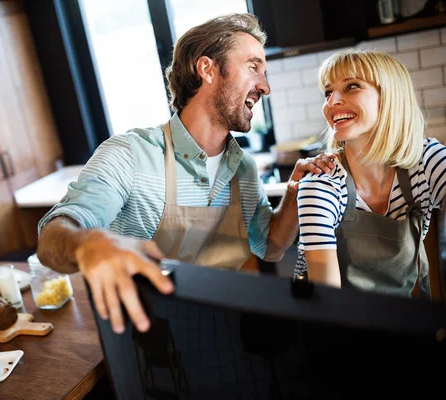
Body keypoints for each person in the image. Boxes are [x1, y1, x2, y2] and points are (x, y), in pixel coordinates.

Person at [37, 13, 328, 334]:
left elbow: (270, 247)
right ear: (208, 69)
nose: (265, 86)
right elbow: (53, 237)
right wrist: (87, 244)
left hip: (233, 335)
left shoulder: (242, 167)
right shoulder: (131, 154)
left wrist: (294, 193)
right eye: (253, 67)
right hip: (155, 344)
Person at [295, 48, 446, 299]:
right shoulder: (322, 183)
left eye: (352, 86)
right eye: (328, 92)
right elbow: (327, 300)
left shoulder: (426, 160)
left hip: (404, 319)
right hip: (338, 325)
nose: (332, 102)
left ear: (389, 97)